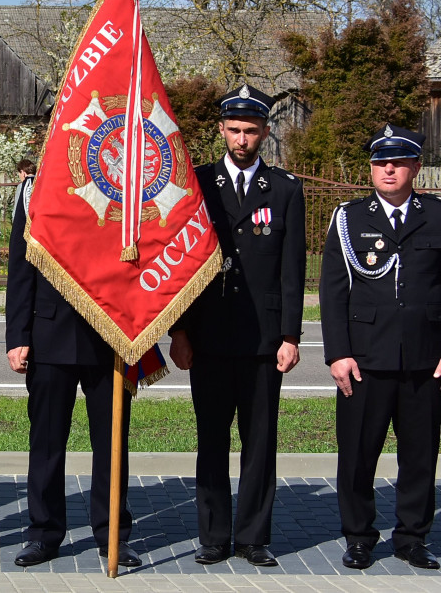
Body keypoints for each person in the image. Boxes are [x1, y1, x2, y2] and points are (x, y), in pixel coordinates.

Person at [168, 84, 305, 567]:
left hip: (263, 338)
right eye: (234, 130)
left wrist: (291, 335)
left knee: (260, 441)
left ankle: (252, 537)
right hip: (207, 333)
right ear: (221, 130)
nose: (242, 138)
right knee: (211, 439)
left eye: (251, 130)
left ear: (265, 132)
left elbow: (293, 270)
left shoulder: (286, 189)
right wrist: (179, 331)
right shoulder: (198, 184)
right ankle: (213, 535)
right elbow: (179, 262)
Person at [320, 125, 441, 571]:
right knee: (357, 454)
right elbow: (333, 294)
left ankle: (412, 537)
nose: (387, 169)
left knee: (421, 455)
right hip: (363, 360)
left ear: (415, 167)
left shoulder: (437, 215)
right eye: (379, 162)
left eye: (397, 162)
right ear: (371, 168)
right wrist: (338, 353)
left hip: (423, 359)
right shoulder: (349, 218)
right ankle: (359, 537)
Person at [5, 178, 141, 568]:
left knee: (112, 441)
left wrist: (138, 327)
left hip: (110, 334)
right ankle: (44, 533)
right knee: (46, 442)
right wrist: (18, 335)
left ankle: (112, 532)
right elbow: (20, 264)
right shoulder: (35, 188)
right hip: (49, 333)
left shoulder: (121, 178)